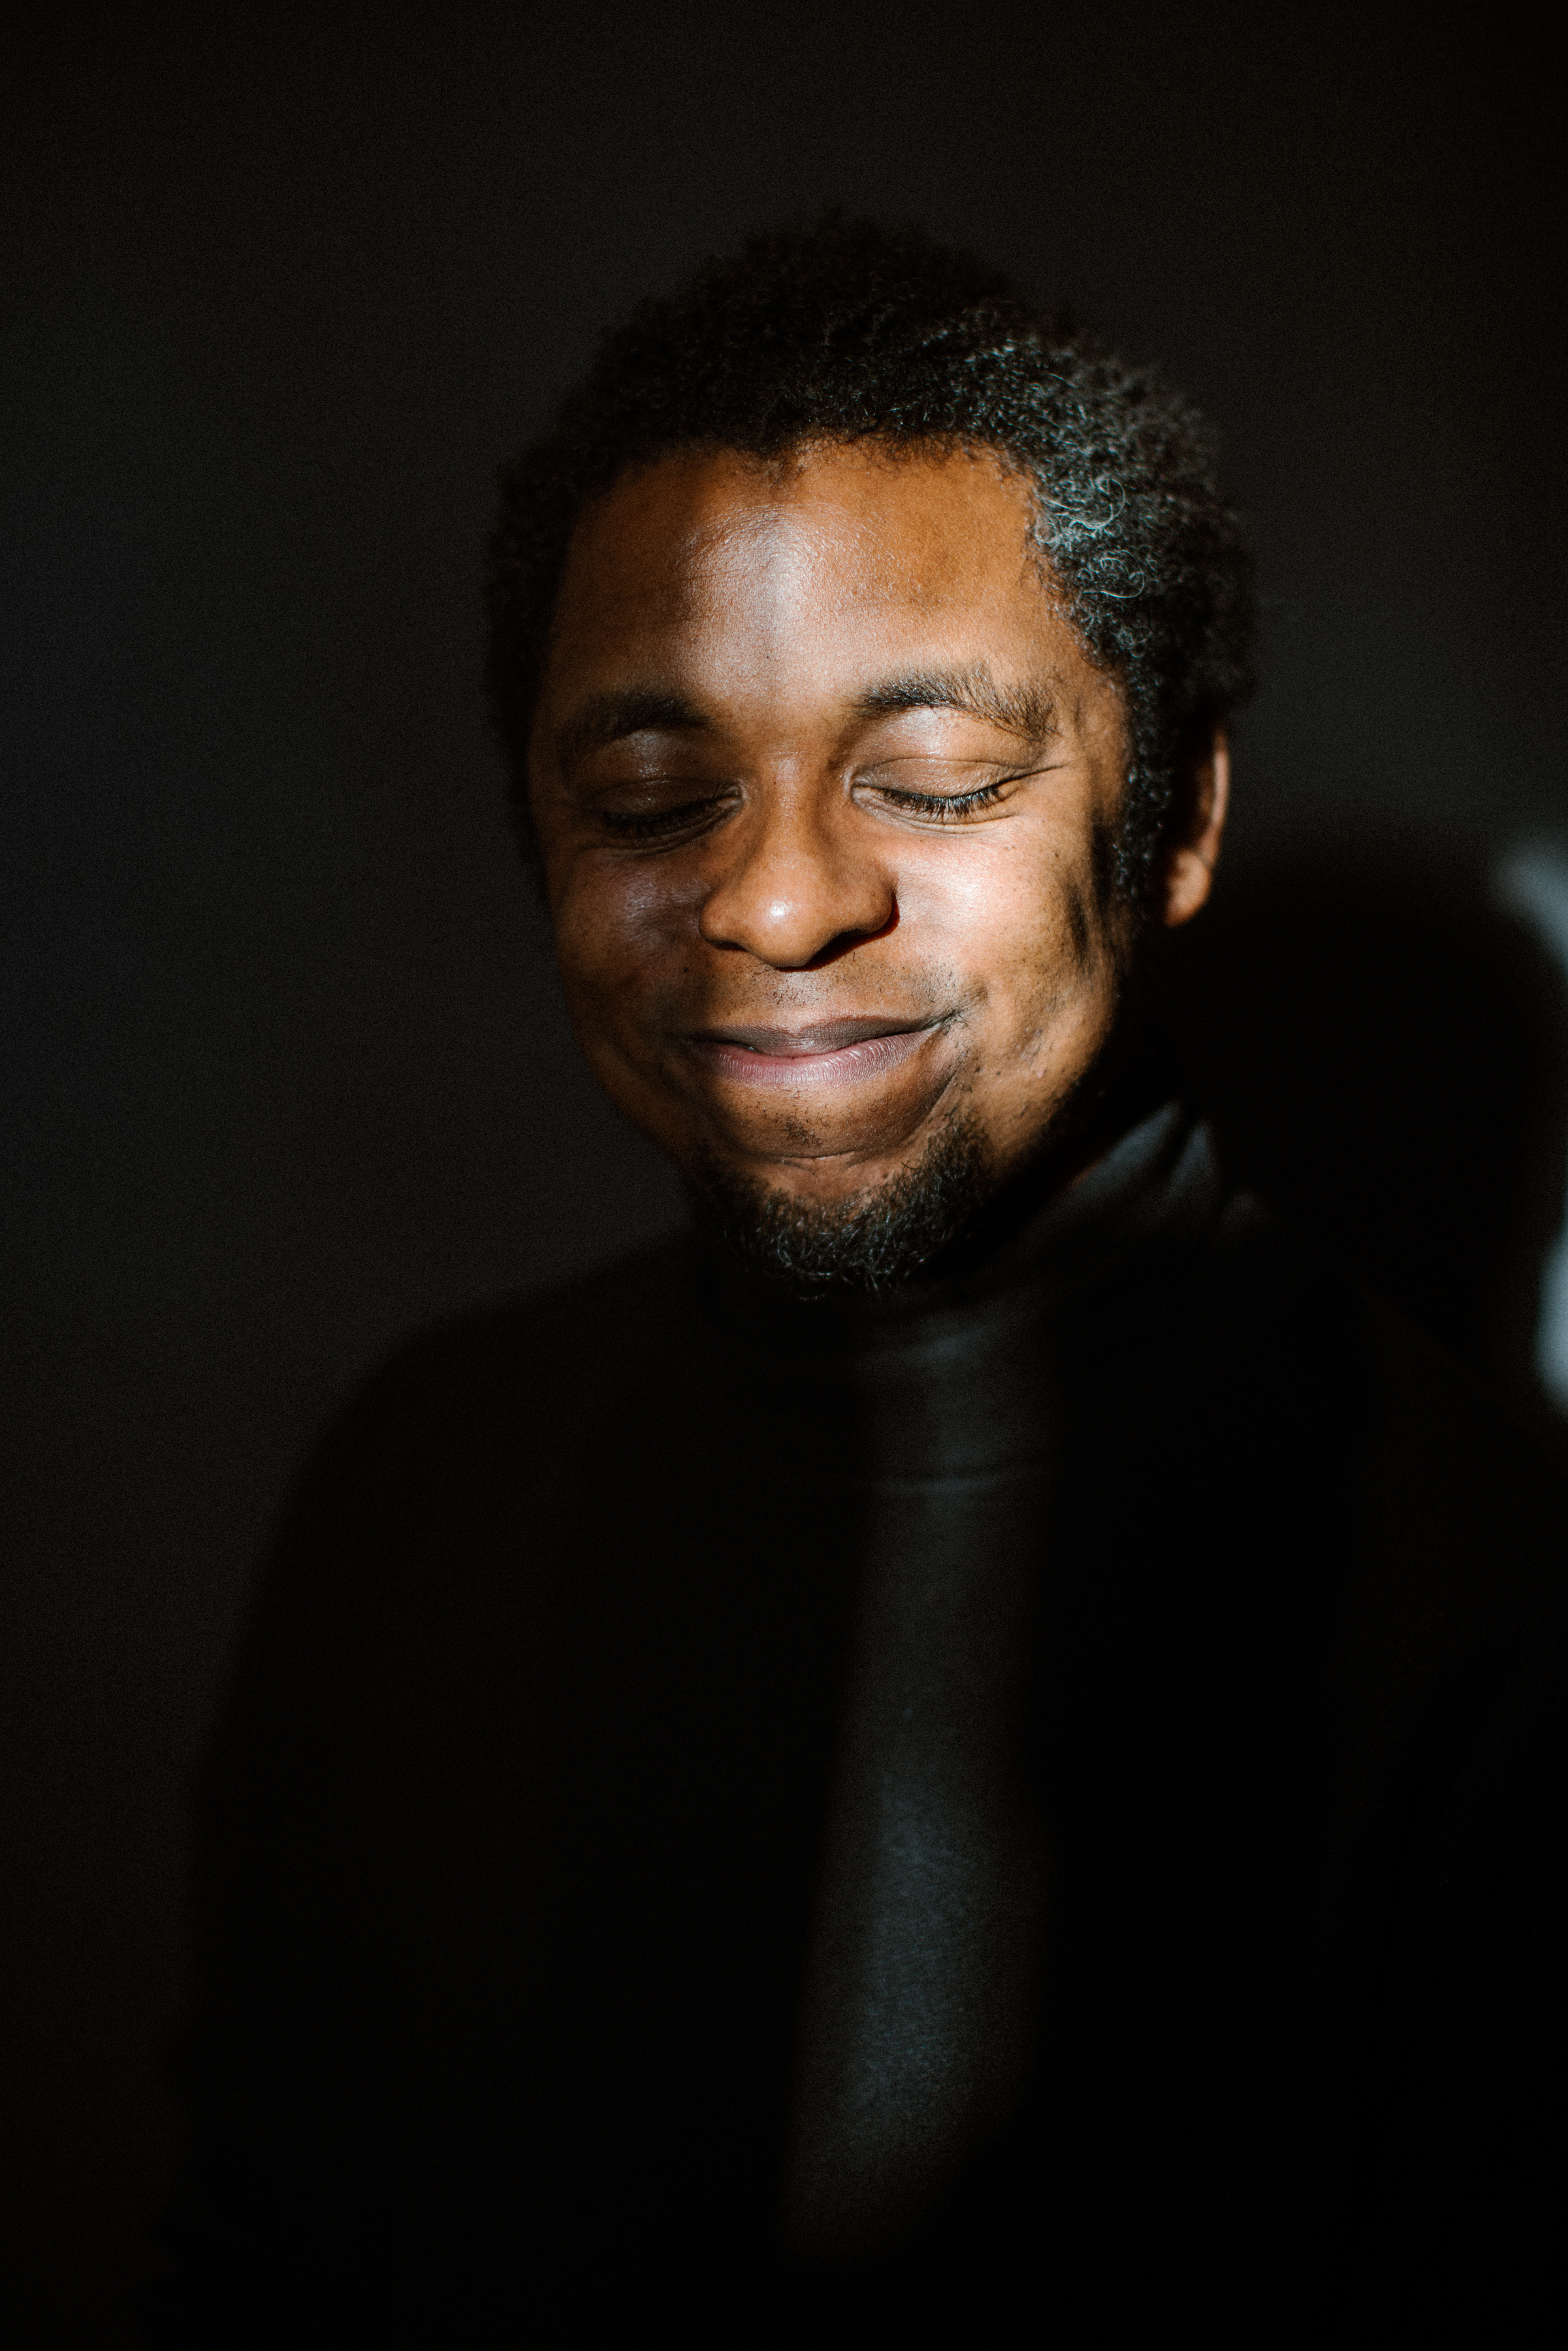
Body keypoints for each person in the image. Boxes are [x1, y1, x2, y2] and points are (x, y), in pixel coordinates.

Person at [151, 217, 1565, 2342]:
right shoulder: (419, 1478)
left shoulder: (1489, 1611)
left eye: (930, 782)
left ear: (1176, 819)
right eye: (652, 796)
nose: (779, 900)